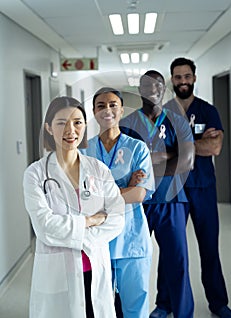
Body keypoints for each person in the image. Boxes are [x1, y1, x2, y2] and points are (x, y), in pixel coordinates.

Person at [23, 96, 125, 318]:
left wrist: (76, 235)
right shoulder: (35, 174)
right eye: (61, 122)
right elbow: (45, 227)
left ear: (85, 126)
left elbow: (117, 218)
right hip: (59, 274)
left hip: (94, 268)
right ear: (49, 128)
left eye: (77, 122)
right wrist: (90, 221)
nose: (71, 130)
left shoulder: (98, 170)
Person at [120, 70, 195, 318]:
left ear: (165, 89)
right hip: (137, 204)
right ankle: (134, 312)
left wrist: (148, 163)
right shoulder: (127, 125)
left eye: (159, 85)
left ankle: (182, 313)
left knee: (178, 263)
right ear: (140, 90)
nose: (154, 89)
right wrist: (166, 155)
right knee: (132, 262)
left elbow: (186, 163)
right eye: (147, 85)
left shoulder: (178, 121)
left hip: (171, 201)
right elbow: (125, 167)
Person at [165, 57, 231, 318]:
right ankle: (165, 303)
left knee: (209, 248)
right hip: (173, 189)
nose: (182, 81)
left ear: (194, 78)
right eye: (178, 77)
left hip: (203, 187)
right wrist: (195, 144)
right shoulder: (164, 114)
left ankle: (218, 303)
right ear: (172, 80)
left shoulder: (208, 110)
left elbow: (215, 147)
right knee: (173, 249)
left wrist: (180, 147)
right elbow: (159, 153)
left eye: (186, 76)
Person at [82, 87, 155, 318]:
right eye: (101, 106)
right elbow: (82, 197)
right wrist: (126, 187)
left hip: (131, 240)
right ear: (94, 112)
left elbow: (139, 195)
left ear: (122, 109)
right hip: (96, 242)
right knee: (101, 308)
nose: (107, 110)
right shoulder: (84, 151)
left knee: (135, 307)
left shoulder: (137, 148)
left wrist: (101, 194)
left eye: (113, 104)